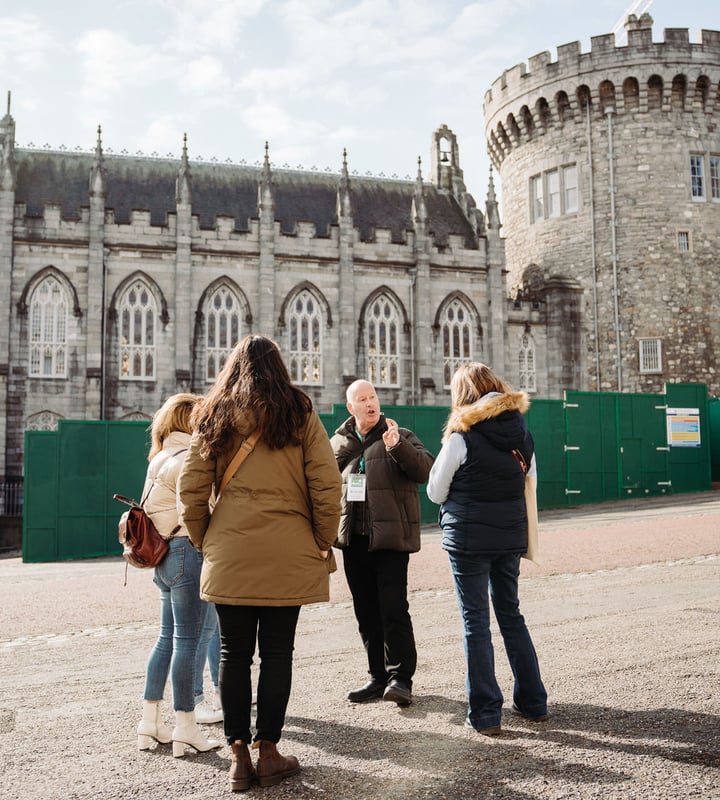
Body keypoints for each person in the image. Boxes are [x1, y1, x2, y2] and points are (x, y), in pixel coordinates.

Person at [178, 334, 342, 791]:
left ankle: (236, 757)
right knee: (276, 654)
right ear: (279, 366)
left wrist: (205, 539)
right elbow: (327, 485)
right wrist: (321, 540)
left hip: (228, 551)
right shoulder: (299, 411)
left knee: (233, 653)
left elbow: (190, 488)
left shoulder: (213, 412)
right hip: (290, 551)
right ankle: (268, 752)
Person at [426, 362, 548, 736]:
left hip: (468, 541)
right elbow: (530, 483)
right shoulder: (522, 435)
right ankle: (532, 702)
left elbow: (435, 491)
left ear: (463, 394)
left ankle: (485, 713)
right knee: (511, 614)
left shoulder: (460, 437)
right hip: (510, 538)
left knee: (475, 622)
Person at [330, 380, 434, 707]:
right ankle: (377, 676)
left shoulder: (397, 434)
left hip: (389, 540)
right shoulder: (339, 442)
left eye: (373, 396)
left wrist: (396, 447)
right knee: (366, 612)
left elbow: (425, 470)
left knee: (393, 609)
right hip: (353, 541)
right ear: (351, 407)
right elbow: (322, 483)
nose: (370, 403)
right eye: (362, 399)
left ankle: (401, 678)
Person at [136, 393, 222, 758]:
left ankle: (150, 722)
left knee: (166, 640)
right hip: (188, 551)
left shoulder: (158, 458)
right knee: (189, 643)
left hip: (163, 558)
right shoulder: (189, 457)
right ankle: (186, 726)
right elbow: (199, 509)